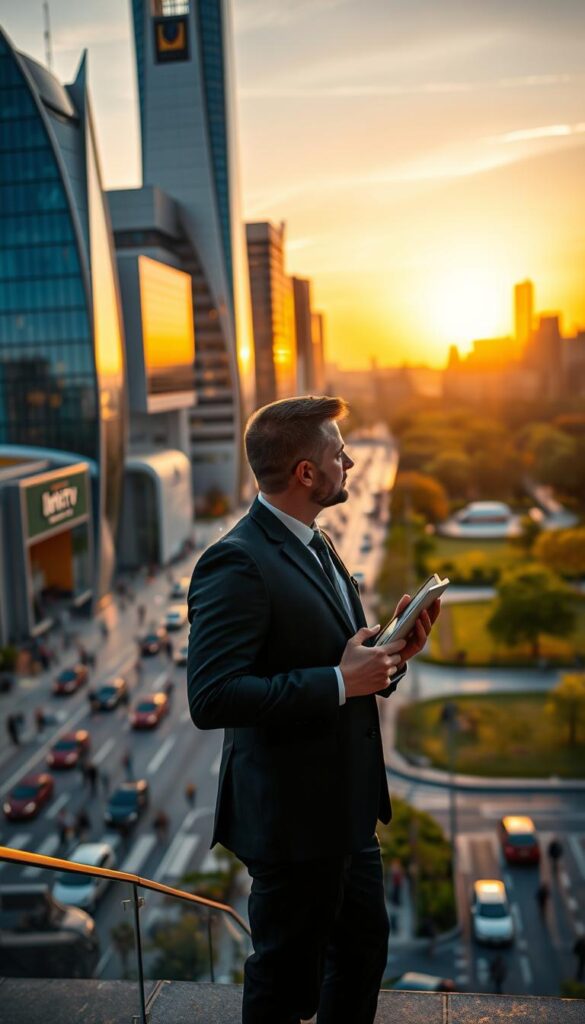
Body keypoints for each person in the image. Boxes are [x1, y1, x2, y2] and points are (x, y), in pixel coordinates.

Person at [187, 396, 440, 1024]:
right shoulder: (236, 561)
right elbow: (211, 696)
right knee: (284, 983)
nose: (349, 460)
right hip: (293, 824)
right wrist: (335, 680)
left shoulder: (317, 542)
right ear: (306, 472)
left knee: (361, 958)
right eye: (337, 453)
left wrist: (392, 655)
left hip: (348, 814)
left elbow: (349, 662)